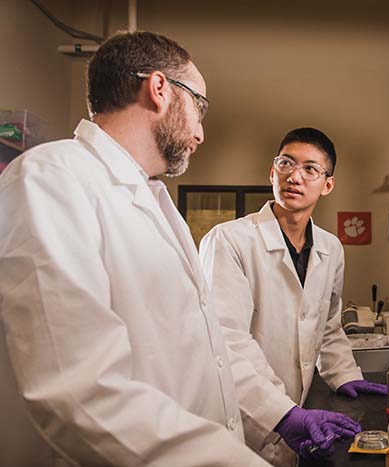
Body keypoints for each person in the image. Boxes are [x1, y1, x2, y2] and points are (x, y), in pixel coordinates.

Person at [0, 32, 355, 467]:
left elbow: (210, 351)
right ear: (160, 89)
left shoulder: (150, 200)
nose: (201, 133)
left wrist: (282, 416)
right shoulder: (51, 179)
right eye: (199, 108)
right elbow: (80, 395)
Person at [199, 128, 388, 418]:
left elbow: (327, 328)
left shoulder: (331, 248)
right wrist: (281, 413)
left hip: (296, 411)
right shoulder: (228, 240)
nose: (294, 176)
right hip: (239, 412)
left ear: (327, 185)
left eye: (310, 169)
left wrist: (345, 375)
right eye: (285, 164)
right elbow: (226, 339)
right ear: (272, 173)